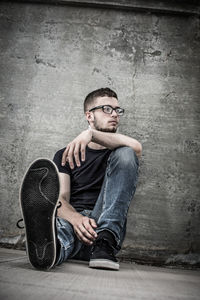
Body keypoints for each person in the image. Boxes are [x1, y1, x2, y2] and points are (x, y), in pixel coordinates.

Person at [19, 87, 142, 271]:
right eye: (107, 109)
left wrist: (91, 134)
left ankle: (104, 242)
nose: (115, 114)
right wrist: (77, 219)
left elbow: (137, 147)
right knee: (62, 229)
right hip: (72, 225)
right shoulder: (65, 154)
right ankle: (47, 249)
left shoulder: (119, 153)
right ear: (89, 116)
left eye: (117, 110)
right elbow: (60, 199)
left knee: (126, 153)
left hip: (102, 227)